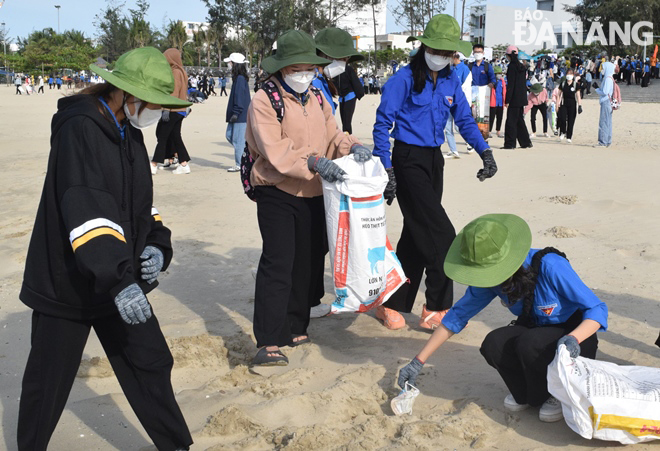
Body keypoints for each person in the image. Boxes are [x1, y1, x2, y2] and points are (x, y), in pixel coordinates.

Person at [17, 47, 193, 451]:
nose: (156, 113)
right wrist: (119, 279)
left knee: (150, 361)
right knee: (49, 380)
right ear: (126, 95)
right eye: (153, 103)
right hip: (69, 281)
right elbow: (86, 209)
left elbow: (139, 204)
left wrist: (156, 246)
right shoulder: (80, 129)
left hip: (118, 277)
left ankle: (176, 445)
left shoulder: (127, 131)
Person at [397, 213, 608, 423]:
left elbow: (597, 309)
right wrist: (417, 361)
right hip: (537, 331)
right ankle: (528, 393)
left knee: (530, 343)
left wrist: (573, 339)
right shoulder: (490, 281)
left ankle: (557, 393)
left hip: (576, 339)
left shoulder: (551, 265)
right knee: (494, 343)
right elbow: (457, 317)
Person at [246, 30, 369, 366]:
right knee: (279, 262)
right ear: (282, 69)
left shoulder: (316, 95)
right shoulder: (264, 99)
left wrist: (352, 146)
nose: (303, 74)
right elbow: (275, 150)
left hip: (315, 190)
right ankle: (268, 340)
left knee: (309, 260)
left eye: (308, 68)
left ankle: (295, 324)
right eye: (295, 69)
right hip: (277, 190)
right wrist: (312, 161)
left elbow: (332, 134)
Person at [372, 14, 498, 331]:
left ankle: (390, 304)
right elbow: (382, 124)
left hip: (433, 160)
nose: (441, 56)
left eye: (447, 52)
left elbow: (465, 121)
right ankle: (437, 307)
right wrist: (386, 168)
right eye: (436, 50)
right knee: (442, 234)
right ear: (424, 47)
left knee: (415, 236)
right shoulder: (402, 80)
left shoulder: (451, 81)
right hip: (407, 158)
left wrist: (485, 151)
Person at [151, 48, 193, 175]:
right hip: (179, 109)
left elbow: (174, 92)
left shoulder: (175, 72)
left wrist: (166, 109)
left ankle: (154, 164)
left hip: (173, 109)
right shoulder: (182, 71)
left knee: (162, 135)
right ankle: (182, 162)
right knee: (175, 136)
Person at [502, 45, 533, 149]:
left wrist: (508, 100)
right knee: (519, 120)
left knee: (510, 121)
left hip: (514, 98)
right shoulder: (521, 66)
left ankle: (510, 144)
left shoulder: (511, 67)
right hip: (521, 97)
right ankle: (526, 142)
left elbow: (511, 85)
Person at [225, 52, 251, 173]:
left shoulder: (240, 79)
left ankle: (239, 164)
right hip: (236, 114)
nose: (228, 65)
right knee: (230, 136)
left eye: (229, 62)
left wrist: (236, 112)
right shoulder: (238, 79)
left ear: (235, 64)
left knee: (238, 140)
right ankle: (246, 156)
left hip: (240, 115)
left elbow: (239, 97)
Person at [330, 45, 365, 134]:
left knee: (347, 120)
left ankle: (348, 137)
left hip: (350, 96)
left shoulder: (348, 69)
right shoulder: (335, 70)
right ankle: (346, 136)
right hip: (342, 97)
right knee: (343, 120)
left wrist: (359, 93)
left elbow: (355, 82)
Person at [444, 51, 470, 158]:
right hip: (448, 101)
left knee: (458, 126)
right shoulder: (450, 69)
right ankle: (453, 150)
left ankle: (470, 142)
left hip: (458, 102)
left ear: (455, 57)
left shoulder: (465, 69)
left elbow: (466, 86)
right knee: (447, 127)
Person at [556, 68, 583, 144]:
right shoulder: (563, 84)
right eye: (568, 74)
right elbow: (559, 95)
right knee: (562, 119)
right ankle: (562, 132)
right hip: (564, 103)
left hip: (572, 104)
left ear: (573, 75)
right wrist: (557, 104)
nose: (569, 76)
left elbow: (578, 96)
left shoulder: (575, 85)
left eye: (570, 74)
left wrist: (580, 105)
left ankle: (569, 136)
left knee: (571, 121)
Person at [593, 62, 615, 148]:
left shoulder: (607, 79)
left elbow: (605, 92)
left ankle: (603, 142)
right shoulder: (610, 78)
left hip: (606, 101)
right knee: (608, 122)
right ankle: (608, 141)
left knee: (603, 122)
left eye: (603, 68)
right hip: (609, 101)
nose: (602, 70)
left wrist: (597, 89)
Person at [489, 65, 506, 138]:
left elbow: (504, 91)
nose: (499, 75)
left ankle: (498, 131)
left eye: (500, 73)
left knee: (500, 117)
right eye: (498, 73)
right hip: (493, 102)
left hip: (500, 102)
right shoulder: (490, 82)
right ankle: (489, 131)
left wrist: (505, 102)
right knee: (491, 117)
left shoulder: (502, 81)